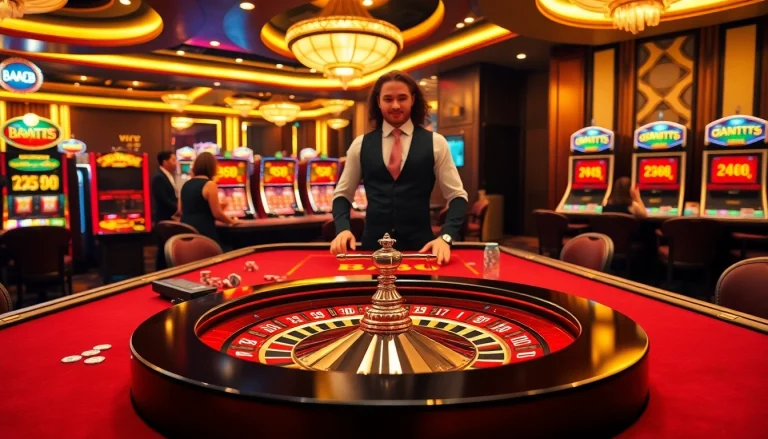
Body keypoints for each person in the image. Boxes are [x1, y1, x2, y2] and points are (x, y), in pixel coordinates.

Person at [330, 70, 468, 264]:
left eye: (402, 98)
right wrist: (343, 229)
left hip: (421, 250)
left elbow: (457, 197)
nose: (395, 105)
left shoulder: (436, 143)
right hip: (373, 250)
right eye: (388, 99)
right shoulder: (360, 145)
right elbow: (342, 195)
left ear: (413, 100)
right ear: (378, 102)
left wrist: (446, 237)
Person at [179, 152, 238, 243]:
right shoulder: (210, 184)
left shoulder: (185, 185)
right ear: (212, 167)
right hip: (203, 233)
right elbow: (217, 214)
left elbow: (180, 210)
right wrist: (232, 221)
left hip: (185, 232)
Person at [151, 151, 179, 270]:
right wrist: (177, 210)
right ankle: (160, 273)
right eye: (173, 160)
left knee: (167, 247)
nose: (175, 163)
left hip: (170, 217)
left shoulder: (167, 175)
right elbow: (163, 199)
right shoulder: (159, 177)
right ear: (165, 162)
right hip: (164, 218)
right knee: (163, 248)